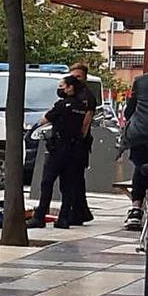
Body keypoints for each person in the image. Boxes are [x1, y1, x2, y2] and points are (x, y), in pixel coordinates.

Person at [27, 76, 89, 229]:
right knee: (67, 187)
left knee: (47, 182)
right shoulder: (81, 107)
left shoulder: (62, 105)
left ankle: (39, 216)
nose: (60, 89)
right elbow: (82, 128)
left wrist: (33, 128)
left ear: (70, 88)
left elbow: (45, 119)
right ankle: (64, 218)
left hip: (58, 149)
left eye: (62, 86)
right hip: (74, 150)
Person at [67, 63, 97, 226]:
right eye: (73, 76)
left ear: (85, 78)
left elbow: (87, 120)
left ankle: (79, 211)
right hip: (72, 141)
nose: (75, 79)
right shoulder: (73, 94)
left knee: (76, 177)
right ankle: (80, 211)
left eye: (78, 76)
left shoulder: (86, 96)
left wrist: (79, 139)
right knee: (74, 179)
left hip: (79, 143)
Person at [123, 71, 148, 230]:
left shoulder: (140, 81)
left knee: (141, 167)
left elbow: (128, 112)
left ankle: (136, 209)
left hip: (141, 136)